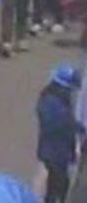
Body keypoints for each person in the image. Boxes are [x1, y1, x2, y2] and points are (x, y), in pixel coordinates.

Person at [38, 65, 83, 203]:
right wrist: (77, 128)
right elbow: (59, 123)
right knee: (58, 185)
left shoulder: (58, 97)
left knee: (59, 184)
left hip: (59, 150)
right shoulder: (51, 100)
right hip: (53, 151)